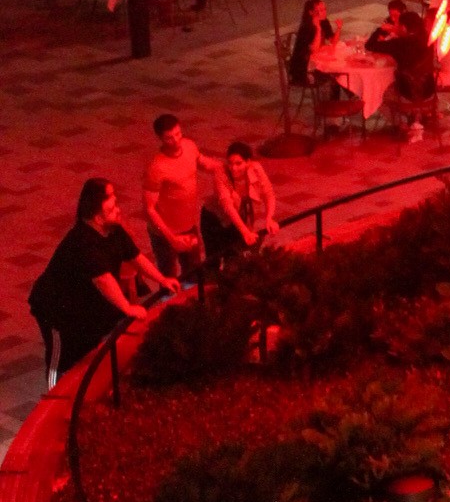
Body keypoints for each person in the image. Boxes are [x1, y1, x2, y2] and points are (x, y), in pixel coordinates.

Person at [27, 179, 177, 383]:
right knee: (62, 356)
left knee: (90, 344)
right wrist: (127, 307)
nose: (118, 210)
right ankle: (54, 395)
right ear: (97, 217)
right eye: (112, 207)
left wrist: (162, 279)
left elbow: (135, 257)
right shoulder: (84, 244)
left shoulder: (114, 230)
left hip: (85, 304)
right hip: (58, 311)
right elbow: (103, 280)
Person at [142, 113, 218, 278]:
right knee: (168, 276)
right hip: (164, 233)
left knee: (194, 272)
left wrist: (225, 167)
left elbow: (202, 162)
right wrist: (171, 238)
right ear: (160, 138)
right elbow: (150, 209)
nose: (176, 140)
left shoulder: (189, 146)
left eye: (178, 134)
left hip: (188, 227)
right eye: (169, 138)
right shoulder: (157, 168)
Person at [200, 140, 277, 271]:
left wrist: (269, 218)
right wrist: (245, 232)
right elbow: (227, 206)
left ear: (248, 162)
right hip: (214, 219)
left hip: (236, 218)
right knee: (213, 258)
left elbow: (268, 193)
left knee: (235, 256)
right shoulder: (221, 173)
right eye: (230, 163)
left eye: (238, 163)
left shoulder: (256, 168)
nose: (234, 168)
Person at [288, 0, 339, 87]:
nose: (324, 12)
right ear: (311, 12)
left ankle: (345, 97)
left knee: (338, 71)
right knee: (336, 74)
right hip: (304, 68)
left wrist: (339, 28)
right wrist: (318, 29)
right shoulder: (306, 28)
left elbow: (333, 41)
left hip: (316, 60)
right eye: (320, 10)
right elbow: (314, 50)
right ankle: (333, 99)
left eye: (324, 9)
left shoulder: (324, 22)